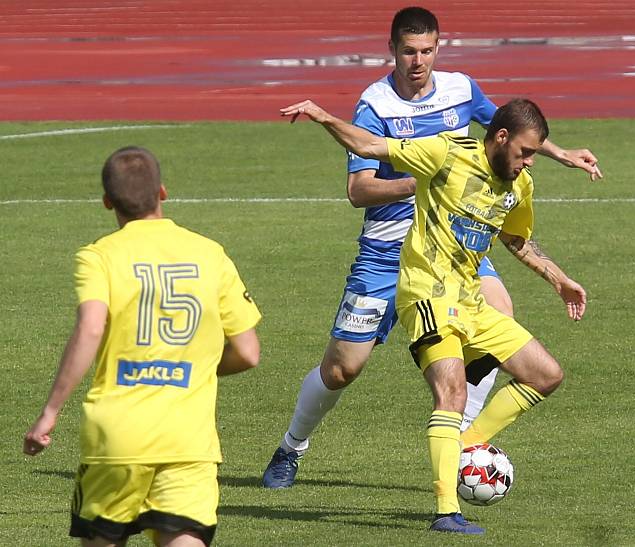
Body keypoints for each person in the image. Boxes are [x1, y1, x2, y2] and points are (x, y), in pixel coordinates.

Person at [262, 6, 601, 489]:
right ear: (392, 50)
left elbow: (509, 129)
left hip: (452, 245)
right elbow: (359, 190)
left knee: (500, 310)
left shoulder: (460, 88)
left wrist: (560, 153)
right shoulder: (374, 106)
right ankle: (292, 447)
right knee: (342, 370)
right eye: (408, 51)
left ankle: (464, 436)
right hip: (387, 250)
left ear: (438, 48)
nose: (418, 61)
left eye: (427, 51)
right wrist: (426, 181)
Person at [279, 96, 587, 534]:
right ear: (501, 138)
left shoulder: (519, 186)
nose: (530, 162)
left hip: (471, 303)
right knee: (451, 394)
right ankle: (446, 512)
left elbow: (516, 240)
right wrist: (324, 116)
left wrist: (558, 279)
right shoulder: (446, 153)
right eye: (525, 152)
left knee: (546, 374)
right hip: (426, 296)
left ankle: (466, 444)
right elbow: (371, 148)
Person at [23, 146, 262, 546]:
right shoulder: (210, 253)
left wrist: (49, 413)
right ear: (163, 193)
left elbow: (91, 327)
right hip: (189, 441)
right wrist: (195, 364)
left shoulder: (98, 256)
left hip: (116, 438)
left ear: (106, 202)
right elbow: (249, 352)